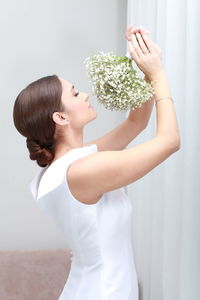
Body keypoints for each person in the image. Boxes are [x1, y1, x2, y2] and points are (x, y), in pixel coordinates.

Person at [13, 26, 180, 300]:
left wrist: (144, 66)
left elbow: (136, 122)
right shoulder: (83, 171)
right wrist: (159, 75)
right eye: (76, 94)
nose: (86, 96)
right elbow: (169, 141)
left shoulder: (69, 166)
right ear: (61, 118)